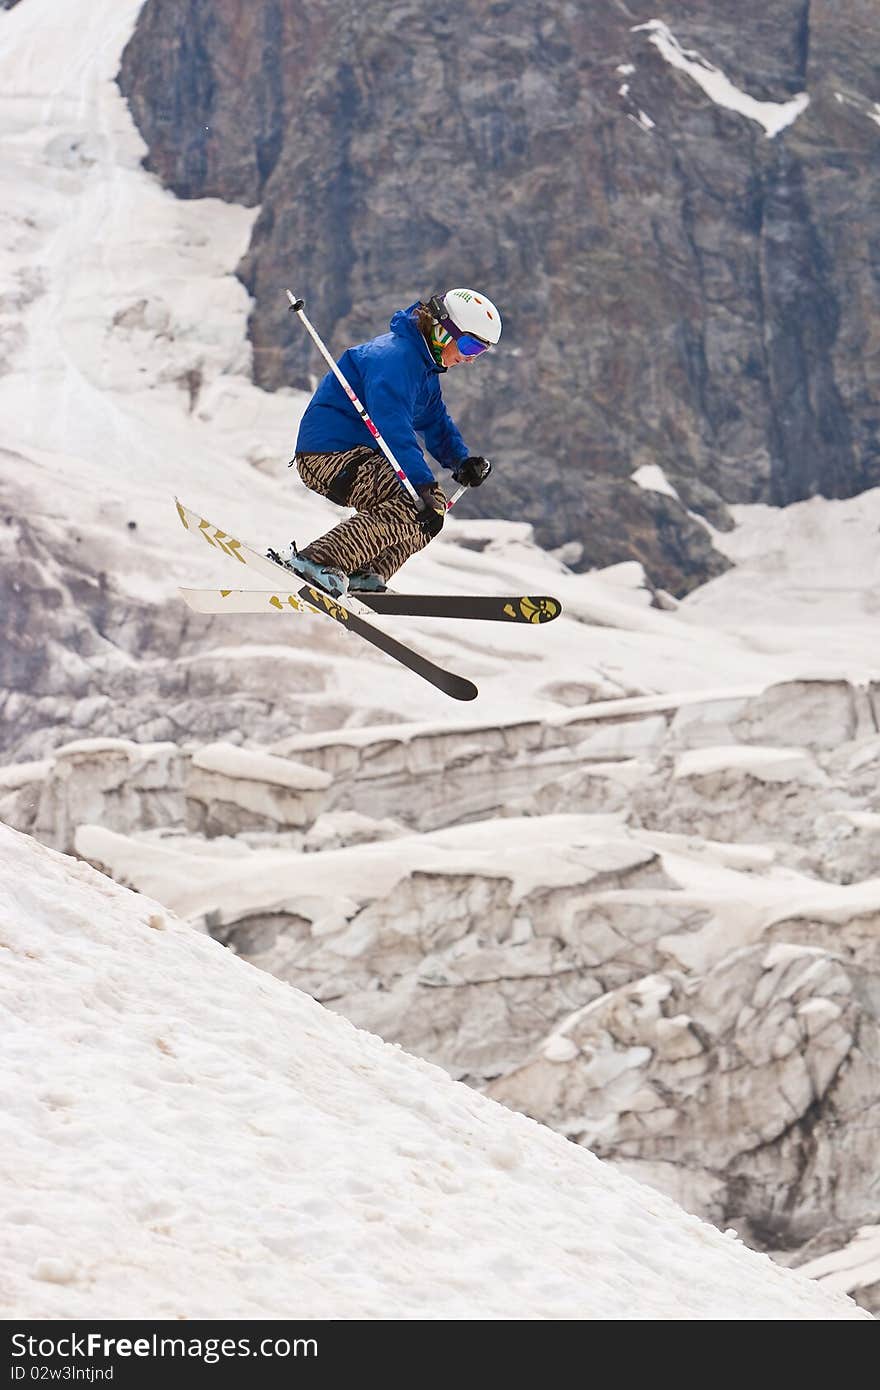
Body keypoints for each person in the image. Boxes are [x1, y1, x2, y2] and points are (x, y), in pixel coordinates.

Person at [270, 287, 502, 596]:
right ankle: (317, 561)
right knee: (415, 503)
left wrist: (461, 460)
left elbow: (434, 421)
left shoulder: (423, 369)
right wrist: (420, 485)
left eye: (480, 352)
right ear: (444, 330)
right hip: (329, 453)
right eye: (470, 345)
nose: (470, 359)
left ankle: (366, 573)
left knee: (431, 515)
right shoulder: (395, 358)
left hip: (359, 456)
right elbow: (392, 426)